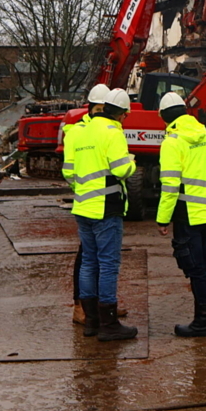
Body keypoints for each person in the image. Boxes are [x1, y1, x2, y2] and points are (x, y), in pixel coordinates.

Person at [67, 88, 137, 341]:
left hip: (82, 206)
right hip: (107, 207)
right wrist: (131, 161)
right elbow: (121, 171)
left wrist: (84, 192)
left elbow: (69, 172)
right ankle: (109, 324)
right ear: (123, 114)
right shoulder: (113, 133)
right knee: (108, 264)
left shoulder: (78, 132)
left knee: (88, 262)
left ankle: (91, 322)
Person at [155, 91, 206, 337]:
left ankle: (202, 324)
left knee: (195, 269)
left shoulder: (172, 142)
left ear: (164, 117)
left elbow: (170, 187)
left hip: (187, 214)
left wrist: (163, 218)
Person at [63, 83, 109, 325]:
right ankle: (79, 306)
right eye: (99, 108)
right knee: (87, 258)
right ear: (91, 107)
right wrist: (83, 189)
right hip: (89, 203)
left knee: (103, 257)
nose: (102, 112)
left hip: (104, 202)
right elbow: (69, 170)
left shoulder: (105, 128)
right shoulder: (78, 131)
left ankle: (103, 304)